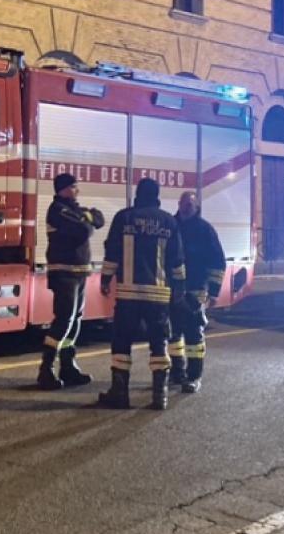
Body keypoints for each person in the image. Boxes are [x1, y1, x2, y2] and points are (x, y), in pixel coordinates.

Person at [97, 178, 185, 409]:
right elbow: (177, 260)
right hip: (158, 295)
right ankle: (160, 395)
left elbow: (112, 252)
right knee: (158, 343)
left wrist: (105, 279)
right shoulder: (168, 221)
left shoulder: (123, 217)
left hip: (128, 295)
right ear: (157, 195)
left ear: (138, 194)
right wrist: (179, 288)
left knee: (122, 342)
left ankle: (119, 393)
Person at [39, 173, 105, 390]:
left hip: (78, 272)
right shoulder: (58, 210)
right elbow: (83, 230)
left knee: (74, 320)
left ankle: (68, 366)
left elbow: (99, 218)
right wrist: (87, 218)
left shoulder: (73, 209)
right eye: (74, 187)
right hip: (64, 272)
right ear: (64, 189)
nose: (78, 190)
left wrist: (88, 216)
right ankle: (46, 369)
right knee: (64, 320)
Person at [172, 190, 226, 394]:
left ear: (196, 207)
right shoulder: (171, 225)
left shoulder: (204, 230)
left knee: (193, 332)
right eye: (183, 203)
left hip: (196, 287)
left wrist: (213, 292)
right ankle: (177, 372)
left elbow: (217, 262)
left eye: (190, 204)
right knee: (173, 333)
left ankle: (194, 376)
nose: (186, 207)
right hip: (173, 288)